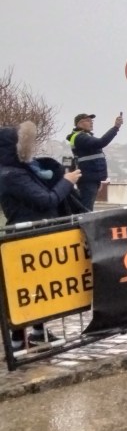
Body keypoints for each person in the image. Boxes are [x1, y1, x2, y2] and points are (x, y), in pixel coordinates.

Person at [0, 121, 82, 349]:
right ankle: (18, 341)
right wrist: (66, 182)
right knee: (25, 289)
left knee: (39, 286)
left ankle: (37, 332)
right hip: (26, 236)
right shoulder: (11, 175)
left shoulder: (25, 169)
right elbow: (46, 200)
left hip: (37, 233)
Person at [65, 111, 122, 210]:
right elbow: (101, 142)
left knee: (86, 206)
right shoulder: (79, 137)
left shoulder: (85, 136)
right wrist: (115, 128)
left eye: (92, 121)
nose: (91, 122)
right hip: (88, 178)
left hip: (91, 177)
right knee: (86, 208)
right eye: (88, 120)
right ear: (79, 123)